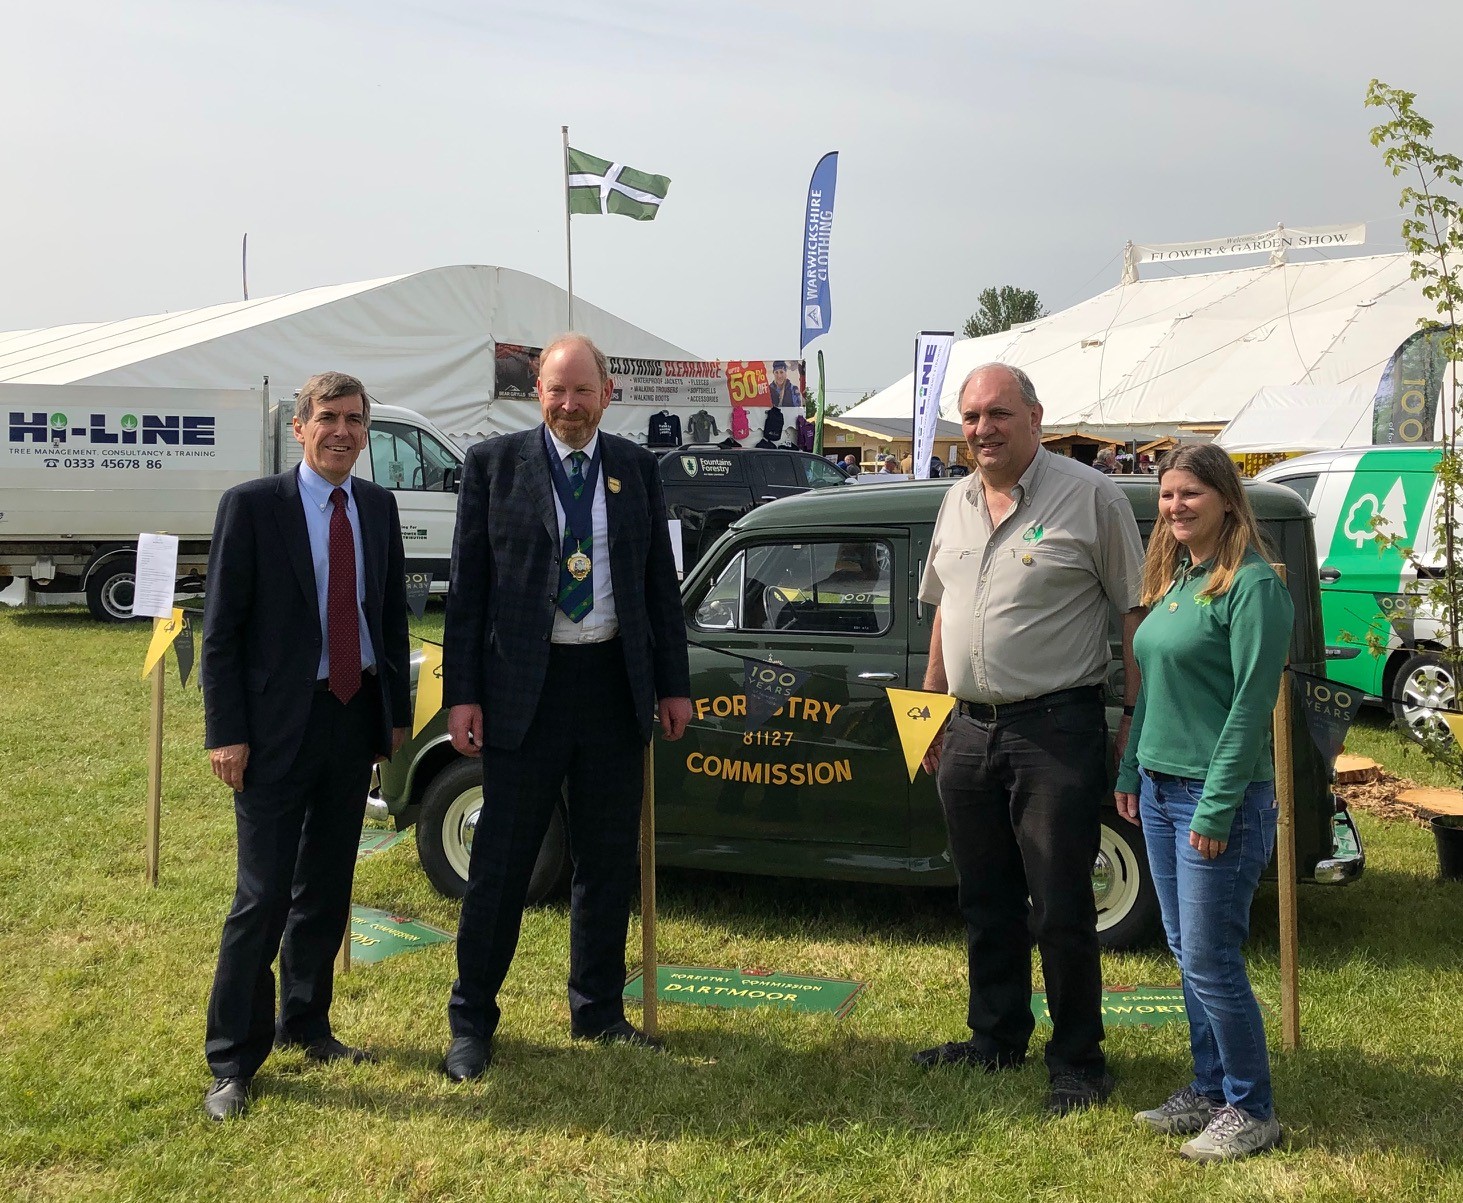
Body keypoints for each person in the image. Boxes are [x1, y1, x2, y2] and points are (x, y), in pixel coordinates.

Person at [440, 333, 692, 1082]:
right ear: (535, 392)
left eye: (583, 390)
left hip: (612, 686)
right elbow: (467, 593)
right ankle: (472, 1021)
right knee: (501, 866)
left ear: (607, 394)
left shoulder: (637, 469)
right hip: (526, 691)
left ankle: (598, 1008)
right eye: (557, 389)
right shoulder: (492, 467)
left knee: (606, 860)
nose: (570, 404)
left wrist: (671, 684)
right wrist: (462, 695)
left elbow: (657, 589)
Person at [915, 363, 1146, 1115]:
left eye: (997, 414)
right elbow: (944, 612)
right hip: (969, 731)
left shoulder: (1093, 497)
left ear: (1036, 417)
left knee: (1060, 903)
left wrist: (1133, 721)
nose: (982, 428)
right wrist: (927, 713)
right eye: (971, 415)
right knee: (983, 897)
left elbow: (1132, 615)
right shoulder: (953, 499)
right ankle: (995, 1036)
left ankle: (1078, 1059)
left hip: (1056, 727)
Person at [199, 372, 411, 1121]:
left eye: (355, 419)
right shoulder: (254, 507)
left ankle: (306, 1022)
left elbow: (387, 613)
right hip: (271, 732)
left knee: (325, 886)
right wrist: (224, 732)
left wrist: (395, 717)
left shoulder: (378, 507)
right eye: (328, 417)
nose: (343, 431)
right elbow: (219, 630)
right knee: (259, 897)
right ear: (298, 427)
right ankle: (232, 1060)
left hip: (351, 721)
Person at [1114, 443, 1292, 1161]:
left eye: (1189, 493)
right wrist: (1130, 768)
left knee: (1212, 957)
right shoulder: (1178, 579)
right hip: (1158, 789)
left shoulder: (1252, 587)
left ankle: (1251, 1108)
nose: (1175, 506)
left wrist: (1214, 809)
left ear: (1224, 498)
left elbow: (1250, 708)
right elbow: (1151, 684)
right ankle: (1209, 1086)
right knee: (1187, 950)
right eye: (1166, 495)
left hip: (1215, 796)